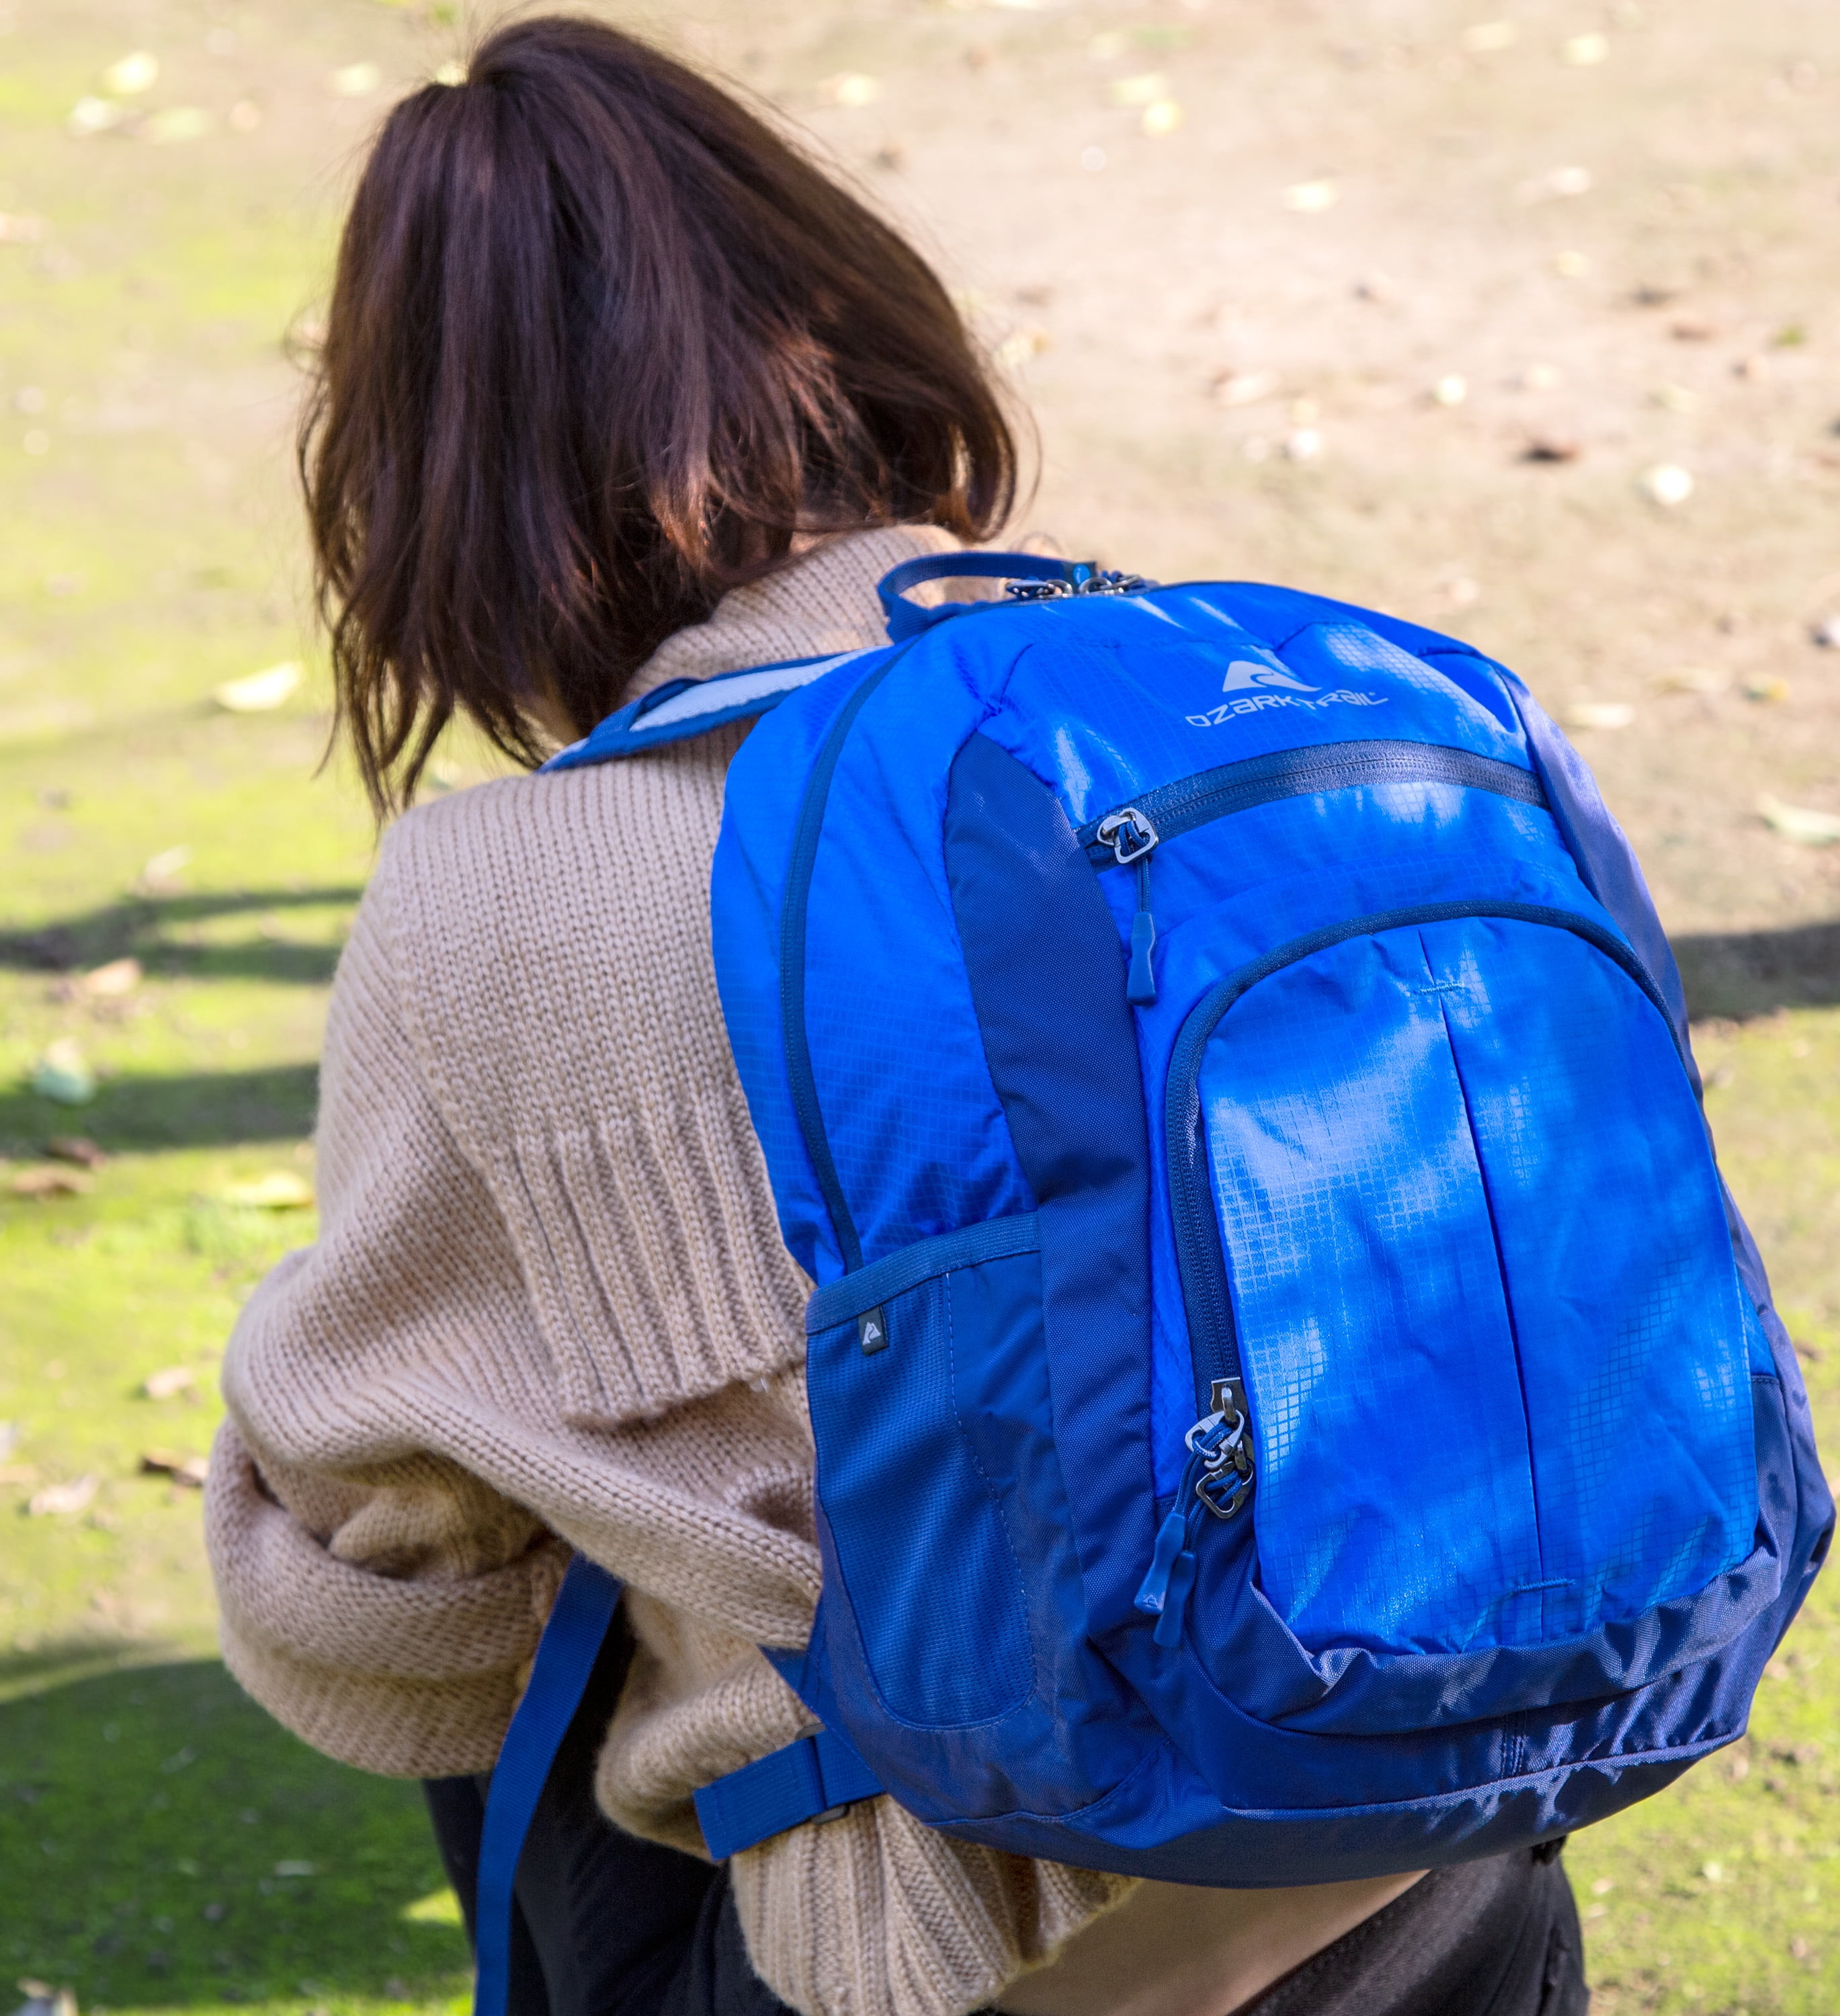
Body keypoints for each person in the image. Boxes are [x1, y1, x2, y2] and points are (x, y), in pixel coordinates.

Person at [204, 16, 1587, 2016]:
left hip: (962, 1950)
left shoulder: (496, 889)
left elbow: (381, 1613)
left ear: (440, 487)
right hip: (1449, 1819)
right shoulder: (1287, 705)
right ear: (864, 326)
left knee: (524, 1605)